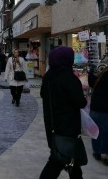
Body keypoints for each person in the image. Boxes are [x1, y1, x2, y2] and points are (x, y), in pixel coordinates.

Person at [39, 46, 87, 178]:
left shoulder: (48, 77)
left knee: (71, 160)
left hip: (53, 126)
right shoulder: (69, 78)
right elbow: (80, 102)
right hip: (67, 127)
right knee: (57, 161)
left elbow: (43, 95)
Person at [88, 55, 108, 166]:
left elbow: (91, 82)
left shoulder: (98, 68)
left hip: (96, 104)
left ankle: (97, 152)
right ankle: (107, 155)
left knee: (96, 129)